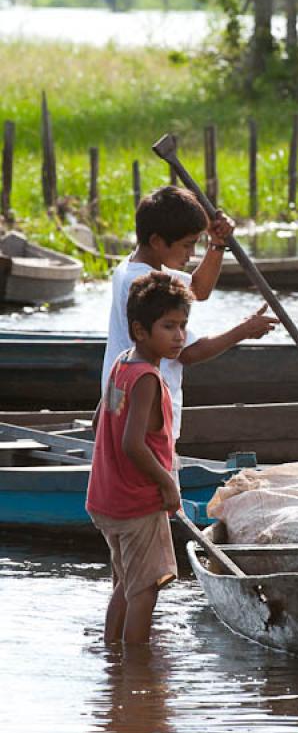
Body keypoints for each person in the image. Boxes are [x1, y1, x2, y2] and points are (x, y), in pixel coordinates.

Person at [101, 184, 278, 440]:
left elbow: (197, 289)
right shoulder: (144, 282)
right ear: (157, 241)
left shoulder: (134, 268)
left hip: (125, 399)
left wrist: (216, 245)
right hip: (143, 407)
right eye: (186, 245)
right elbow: (188, 353)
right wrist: (244, 330)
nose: (191, 254)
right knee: (152, 471)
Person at [87, 271, 192, 645]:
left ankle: (112, 655)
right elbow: (133, 444)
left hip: (107, 499)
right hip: (136, 503)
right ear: (140, 330)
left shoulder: (121, 366)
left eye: (182, 326)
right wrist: (167, 483)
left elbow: (103, 418)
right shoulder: (146, 378)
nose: (179, 336)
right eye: (168, 326)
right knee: (145, 589)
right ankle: (136, 674)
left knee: (126, 583)